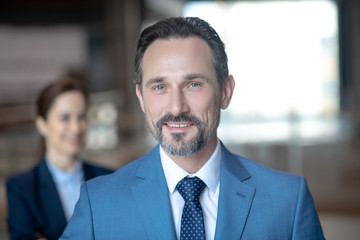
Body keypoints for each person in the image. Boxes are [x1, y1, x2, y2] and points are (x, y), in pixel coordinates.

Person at [60, 17, 325, 239]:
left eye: (193, 84)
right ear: (141, 97)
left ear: (226, 91)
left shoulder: (288, 202)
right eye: (160, 87)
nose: (176, 107)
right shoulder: (99, 204)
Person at [6, 76, 113, 240]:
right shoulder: (21, 189)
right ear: (41, 124)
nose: (76, 128)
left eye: (81, 117)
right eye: (65, 118)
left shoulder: (109, 179)